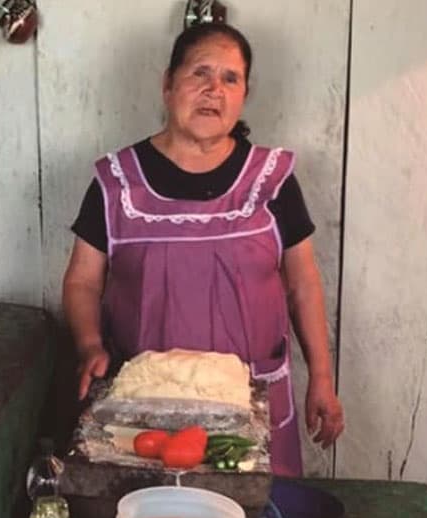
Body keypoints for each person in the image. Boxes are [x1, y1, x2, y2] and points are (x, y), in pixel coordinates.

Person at [61, 22, 344, 477]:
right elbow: (82, 280)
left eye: (230, 78)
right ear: (168, 84)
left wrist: (323, 381)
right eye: (200, 73)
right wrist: (89, 342)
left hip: (252, 408)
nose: (214, 90)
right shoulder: (116, 182)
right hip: (147, 409)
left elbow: (303, 285)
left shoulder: (272, 179)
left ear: (244, 94)